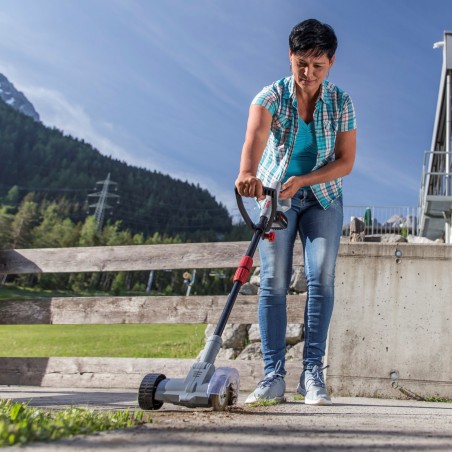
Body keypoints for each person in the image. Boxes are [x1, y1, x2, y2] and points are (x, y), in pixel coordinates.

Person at [235, 18, 356, 405]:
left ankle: (312, 375)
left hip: (324, 196)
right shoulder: (270, 97)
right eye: (301, 63)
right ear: (290, 57)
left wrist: (304, 181)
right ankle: (272, 377)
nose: (308, 73)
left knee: (321, 277)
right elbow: (255, 136)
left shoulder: (341, 102)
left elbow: (346, 161)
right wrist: (247, 173)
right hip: (276, 197)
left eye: (317, 66)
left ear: (331, 63)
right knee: (273, 281)